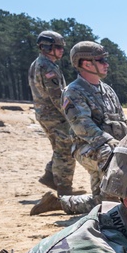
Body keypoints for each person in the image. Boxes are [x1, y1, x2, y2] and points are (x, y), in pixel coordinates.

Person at [31, 41, 127, 216]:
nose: (106, 64)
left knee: (103, 202)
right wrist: (111, 143)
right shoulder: (73, 91)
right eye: (101, 60)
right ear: (86, 64)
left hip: (110, 147)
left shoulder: (108, 91)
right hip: (88, 148)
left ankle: (59, 203)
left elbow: (121, 120)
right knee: (112, 161)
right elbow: (82, 126)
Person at [28, 30, 76, 194]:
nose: (62, 50)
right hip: (54, 116)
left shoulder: (37, 63)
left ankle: (51, 175)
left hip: (44, 114)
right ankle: (64, 189)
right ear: (47, 47)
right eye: (58, 47)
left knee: (59, 147)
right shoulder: (47, 67)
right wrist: (72, 116)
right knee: (67, 149)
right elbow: (58, 97)